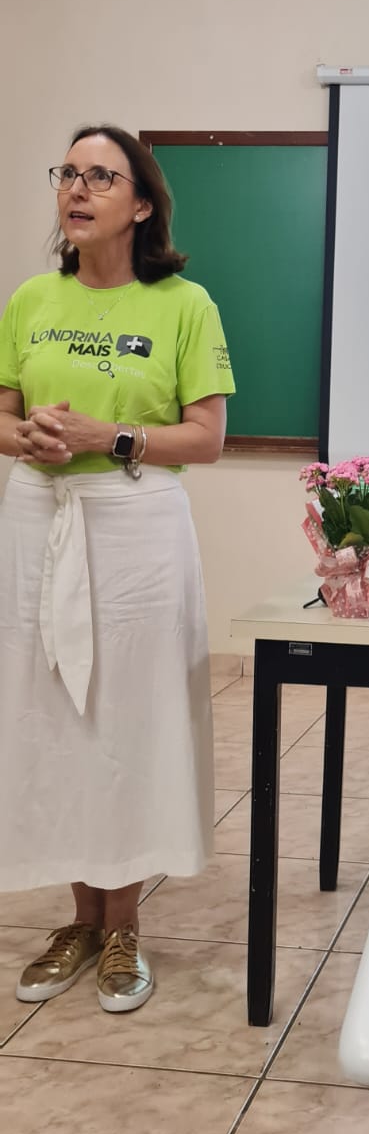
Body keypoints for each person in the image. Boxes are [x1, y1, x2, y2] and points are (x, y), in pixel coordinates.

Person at [0, 124, 235, 1012]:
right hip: (37, 516)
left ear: (141, 204)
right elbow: (1, 416)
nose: (78, 188)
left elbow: (208, 439)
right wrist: (24, 436)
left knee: (126, 718)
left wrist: (114, 436)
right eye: (68, 171)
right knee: (50, 713)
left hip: (134, 524)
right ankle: (79, 918)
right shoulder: (30, 298)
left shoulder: (184, 304)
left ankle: (124, 921)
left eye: (102, 175)